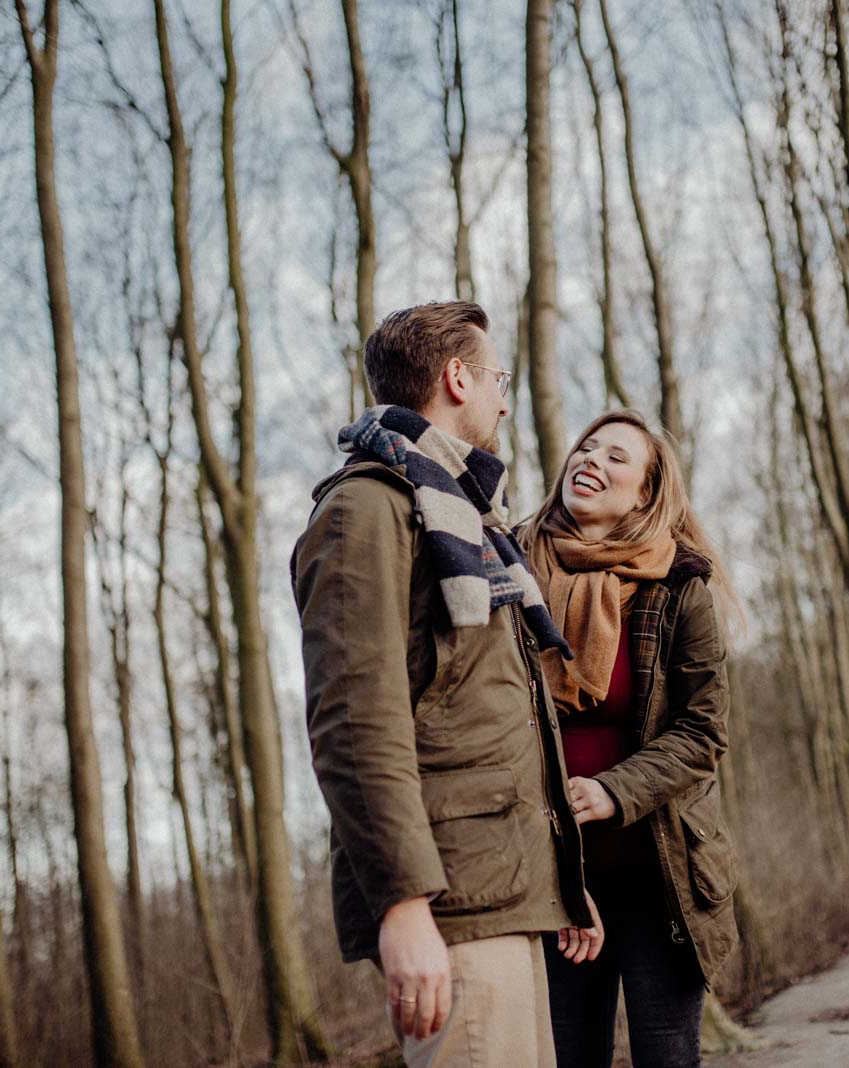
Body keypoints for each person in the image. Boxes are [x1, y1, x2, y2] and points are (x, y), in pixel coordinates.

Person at [291, 301, 602, 1068]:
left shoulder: (465, 518)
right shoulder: (365, 511)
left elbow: (492, 718)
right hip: (447, 905)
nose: (505, 396)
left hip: (505, 893)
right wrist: (402, 906)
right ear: (457, 378)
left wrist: (562, 878)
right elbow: (357, 723)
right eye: (498, 377)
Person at [520, 409, 740, 1068]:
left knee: (667, 1059)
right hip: (551, 876)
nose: (591, 460)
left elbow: (704, 729)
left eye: (616, 457)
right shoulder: (510, 570)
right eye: (586, 449)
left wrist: (616, 791)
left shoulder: (679, 585)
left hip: (658, 872)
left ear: (644, 492)